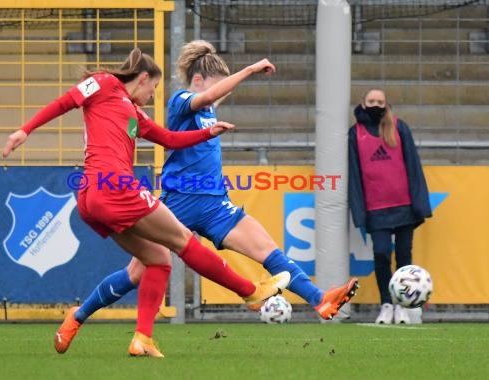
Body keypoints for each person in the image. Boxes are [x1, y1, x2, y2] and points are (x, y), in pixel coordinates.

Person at [51, 40, 359, 354]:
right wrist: (251, 68)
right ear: (197, 81)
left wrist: (244, 78)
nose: (217, 95)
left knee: (270, 252)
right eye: (213, 86)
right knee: (137, 272)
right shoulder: (182, 101)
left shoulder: (210, 111)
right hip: (180, 200)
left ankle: (319, 300)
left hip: (215, 204)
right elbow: (209, 95)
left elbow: (217, 94)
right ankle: (78, 316)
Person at [2, 48, 291, 358]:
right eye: (153, 88)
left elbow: (169, 139)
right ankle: (251, 292)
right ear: (142, 79)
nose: (153, 96)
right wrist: (25, 129)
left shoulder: (134, 115)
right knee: (182, 240)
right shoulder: (102, 84)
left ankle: (137, 336)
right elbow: (64, 102)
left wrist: (208, 131)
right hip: (114, 186)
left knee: (158, 260)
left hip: (91, 198)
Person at [348, 88, 432, 325]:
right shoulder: (355, 134)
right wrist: (359, 212)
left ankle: (403, 306)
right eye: (371, 101)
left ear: (387, 104)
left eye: (380, 101)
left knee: (404, 256)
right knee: (382, 254)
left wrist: (419, 204)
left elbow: (413, 165)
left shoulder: (398, 127)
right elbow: (354, 175)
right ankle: (386, 303)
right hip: (376, 208)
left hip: (404, 205)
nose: (376, 105)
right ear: (363, 104)